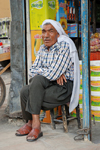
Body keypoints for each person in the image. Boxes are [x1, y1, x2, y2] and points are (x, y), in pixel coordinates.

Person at [15, 19, 80, 142]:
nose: (46, 35)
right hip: (48, 85)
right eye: (44, 32)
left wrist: (54, 73)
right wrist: (54, 73)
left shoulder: (64, 46)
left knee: (37, 82)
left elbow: (53, 73)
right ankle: (29, 123)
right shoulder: (43, 48)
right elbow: (32, 71)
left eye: (51, 31)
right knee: (25, 91)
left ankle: (35, 125)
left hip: (63, 88)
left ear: (58, 34)